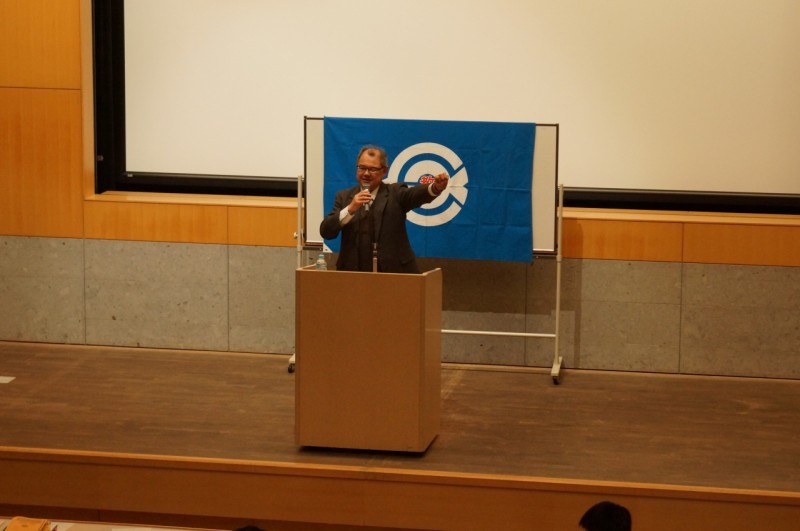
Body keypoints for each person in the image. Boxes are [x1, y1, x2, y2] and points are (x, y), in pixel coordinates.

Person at [319, 144, 449, 273]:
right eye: (362, 168)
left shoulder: (396, 193)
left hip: (393, 273)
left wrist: (435, 188)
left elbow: (416, 194)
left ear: (384, 171)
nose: (366, 173)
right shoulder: (344, 197)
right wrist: (350, 209)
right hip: (353, 274)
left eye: (372, 169)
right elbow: (326, 231)